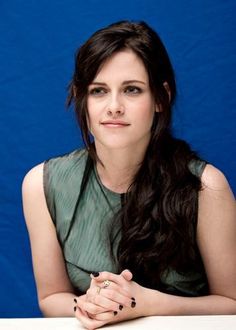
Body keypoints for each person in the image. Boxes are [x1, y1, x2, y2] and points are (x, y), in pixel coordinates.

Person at [22, 20, 236, 329]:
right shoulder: (40, 185)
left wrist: (145, 304)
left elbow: (232, 303)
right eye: (98, 91)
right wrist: (92, 306)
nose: (113, 107)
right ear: (83, 100)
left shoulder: (206, 187)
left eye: (132, 90)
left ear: (161, 98)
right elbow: (52, 296)